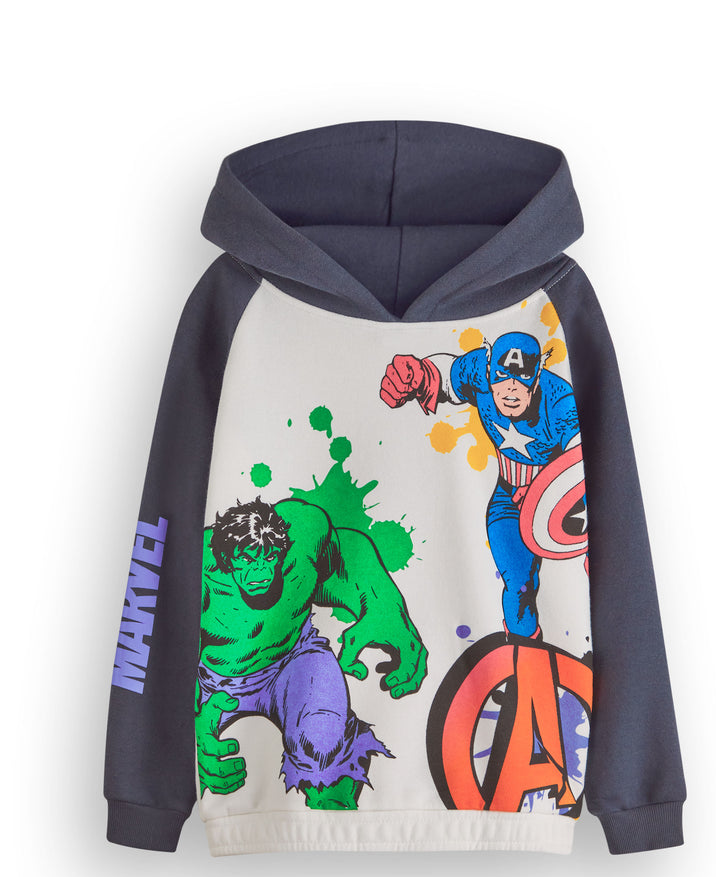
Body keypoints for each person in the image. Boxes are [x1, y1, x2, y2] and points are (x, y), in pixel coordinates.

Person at [196, 496, 427, 809]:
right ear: (226, 560)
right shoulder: (201, 568)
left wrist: (385, 608)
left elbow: (344, 557)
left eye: (269, 557)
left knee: (323, 743)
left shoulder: (305, 531)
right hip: (218, 683)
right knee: (199, 755)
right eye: (247, 561)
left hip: (295, 657)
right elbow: (165, 647)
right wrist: (185, 729)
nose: (260, 572)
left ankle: (337, 818)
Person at [380, 331, 582, 639]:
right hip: (508, 498)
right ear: (489, 369)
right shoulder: (478, 370)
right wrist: (416, 376)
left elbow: (582, 465)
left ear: (537, 377)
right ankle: (526, 656)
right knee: (518, 584)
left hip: (564, 503)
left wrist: (548, 490)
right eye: (502, 377)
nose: (511, 389)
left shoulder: (559, 400)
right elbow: (445, 378)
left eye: (522, 379)